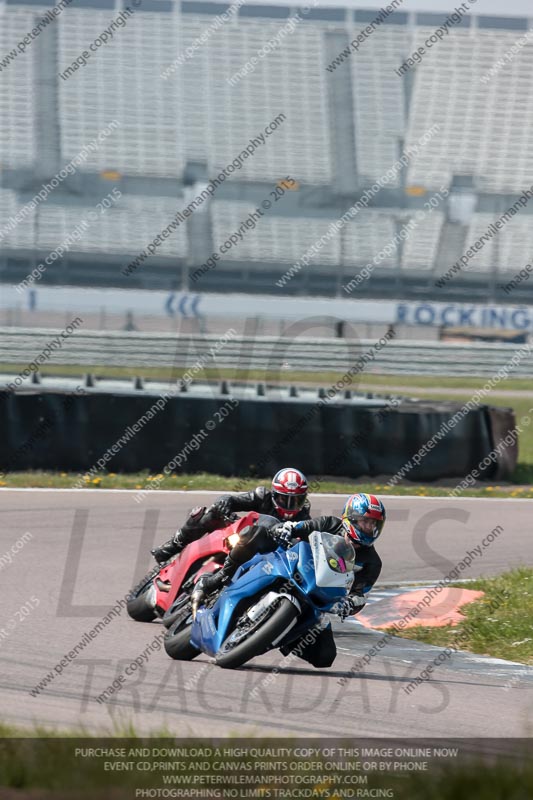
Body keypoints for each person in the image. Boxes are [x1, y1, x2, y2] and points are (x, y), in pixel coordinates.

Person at [197, 492, 386, 669]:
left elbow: (361, 593)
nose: (370, 528)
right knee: (253, 534)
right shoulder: (331, 524)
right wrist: (288, 528)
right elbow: (304, 527)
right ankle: (219, 578)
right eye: (366, 522)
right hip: (294, 565)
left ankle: (283, 636)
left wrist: (349, 604)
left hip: (320, 596)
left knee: (325, 657)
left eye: (375, 525)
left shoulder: (372, 562)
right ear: (351, 518)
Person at [151, 467, 310, 564]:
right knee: (207, 515)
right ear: (275, 495)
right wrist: (223, 503)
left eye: (296, 500)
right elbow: (232, 499)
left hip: (264, 556)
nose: (290, 506)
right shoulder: (262, 497)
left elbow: (307, 547)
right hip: (242, 535)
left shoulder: (304, 519)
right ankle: (172, 546)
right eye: (284, 499)